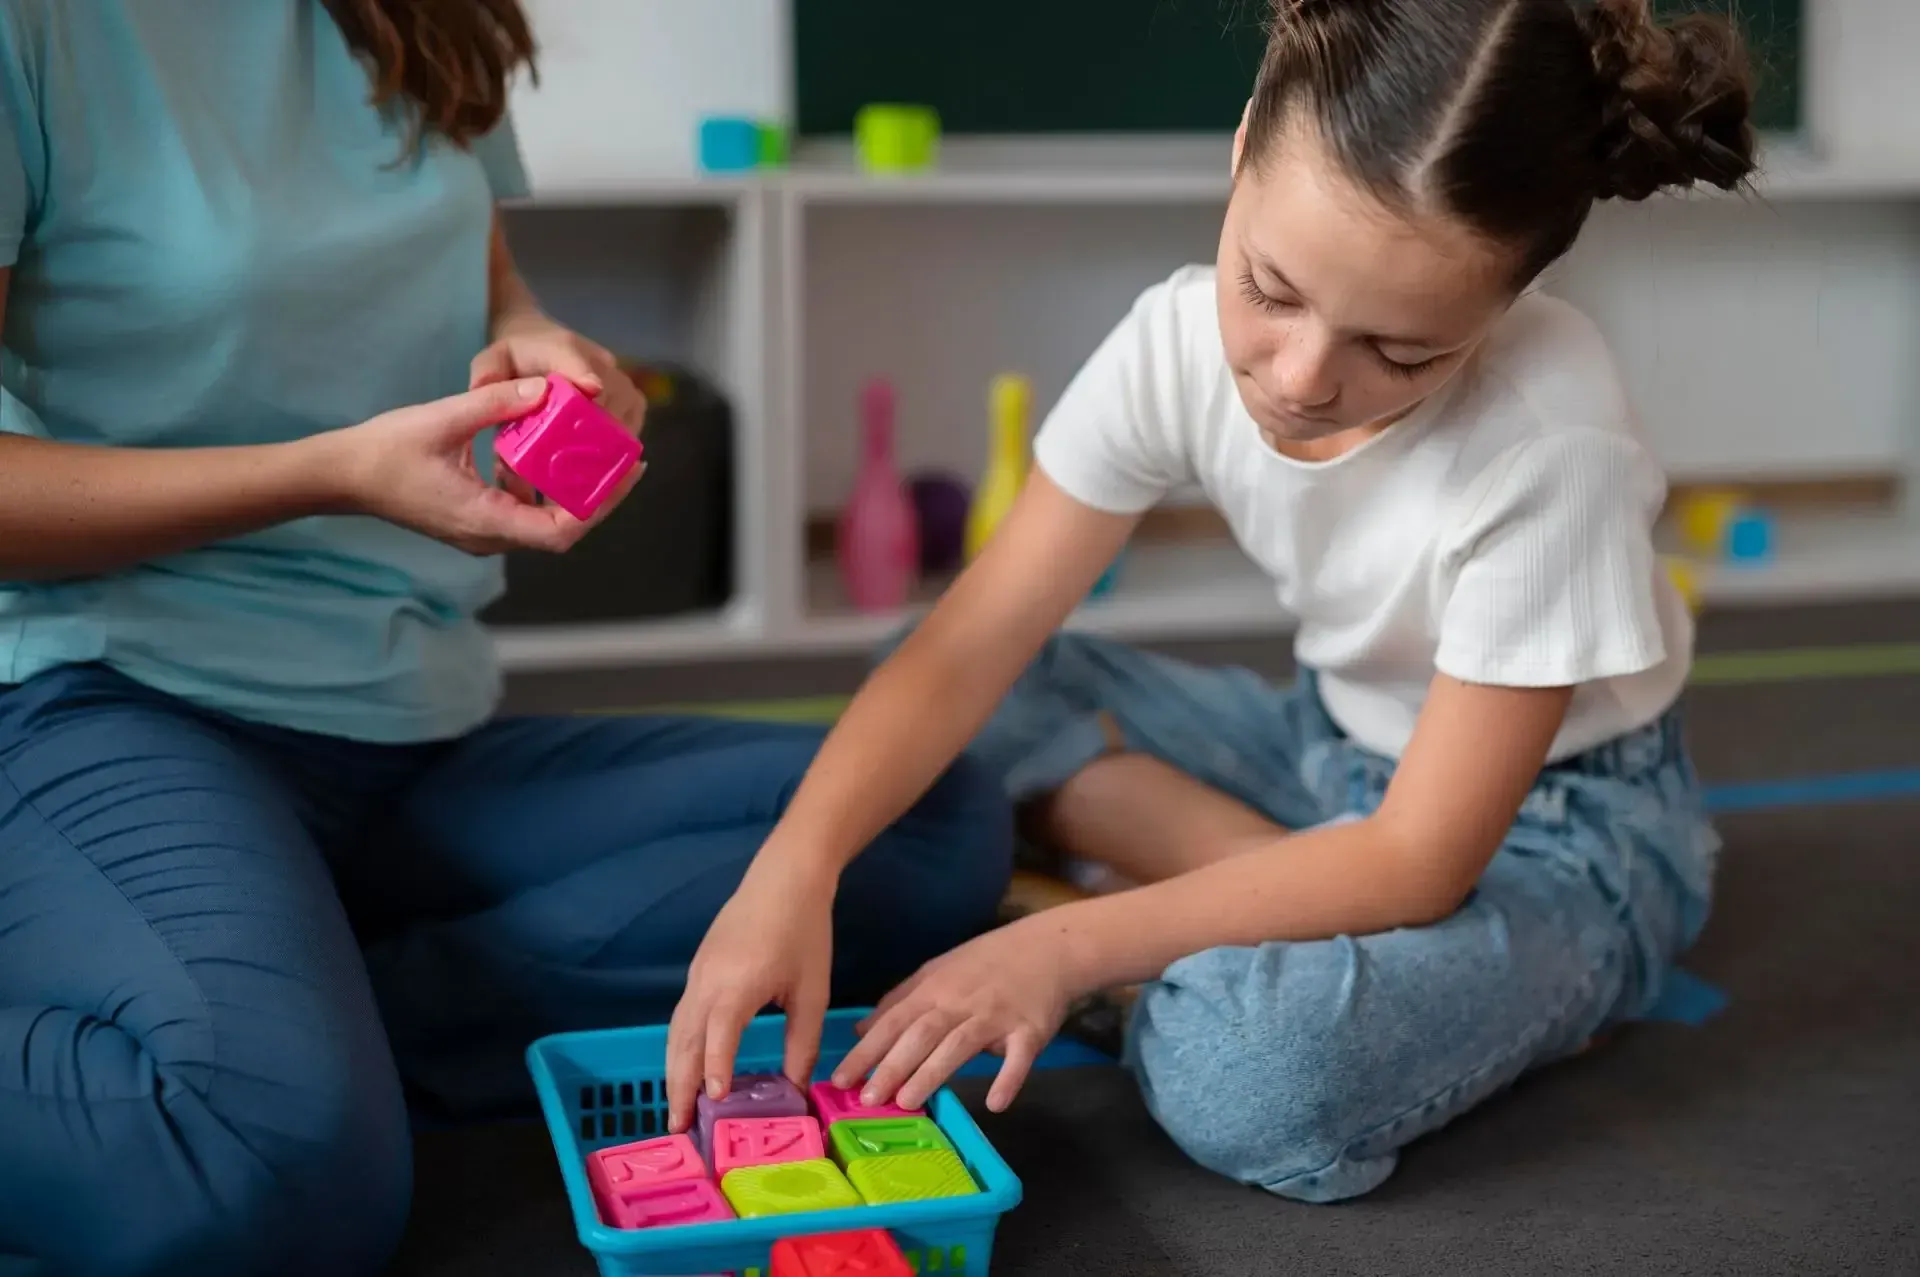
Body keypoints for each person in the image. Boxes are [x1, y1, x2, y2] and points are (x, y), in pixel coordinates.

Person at [670, 0, 1755, 1203]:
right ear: (1242, 147)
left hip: (1550, 833)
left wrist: (1059, 944)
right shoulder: (1172, 340)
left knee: (1249, 1069)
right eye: (1271, 287)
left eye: (1401, 354)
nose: (1299, 379)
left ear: (1508, 307)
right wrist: (794, 867)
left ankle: (1420, 951)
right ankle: (1279, 893)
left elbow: (1420, 856)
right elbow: (971, 638)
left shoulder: (1556, 441)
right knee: (952, 678)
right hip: (1331, 745)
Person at [0, 3, 1013, 1274]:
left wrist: (540, 342)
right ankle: (276, 1042)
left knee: (927, 819)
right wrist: (329, 473)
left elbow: (488, 281)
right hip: (108, 700)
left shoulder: (413, 11)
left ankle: (311, 1004)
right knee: (267, 1168)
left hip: (405, 719)